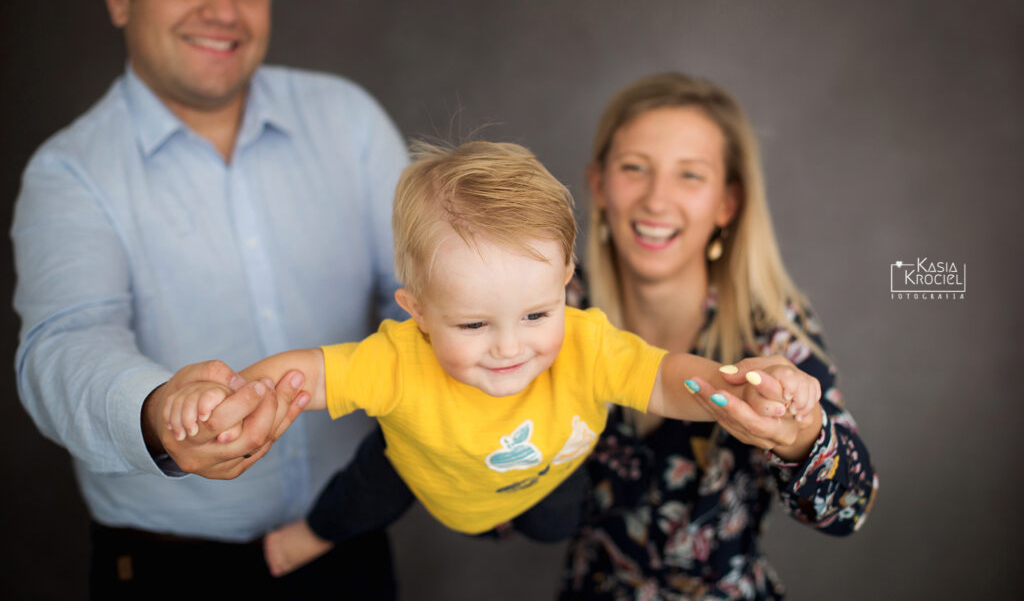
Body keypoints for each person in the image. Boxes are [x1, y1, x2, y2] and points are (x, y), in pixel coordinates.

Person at [163, 140, 823, 578]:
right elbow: (306, 374)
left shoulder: (586, 343)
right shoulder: (397, 360)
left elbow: (662, 377)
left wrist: (732, 386)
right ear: (418, 312)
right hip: (423, 468)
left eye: (536, 315)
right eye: (474, 324)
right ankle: (310, 535)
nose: (510, 346)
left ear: (565, 281)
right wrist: (237, 394)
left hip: (546, 474)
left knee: (557, 522)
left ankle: (520, 504)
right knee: (359, 499)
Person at [11, 0, 408, 598]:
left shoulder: (349, 121)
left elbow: (424, 292)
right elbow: (65, 345)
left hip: (348, 548)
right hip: (169, 573)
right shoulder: (69, 172)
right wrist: (158, 411)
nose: (223, 11)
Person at [559, 73, 879, 600]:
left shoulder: (770, 326)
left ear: (726, 204)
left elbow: (851, 508)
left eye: (690, 175)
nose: (656, 200)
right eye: (635, 168)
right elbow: (493, 503)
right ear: (598, 184)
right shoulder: (555, 311)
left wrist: (800, 434)